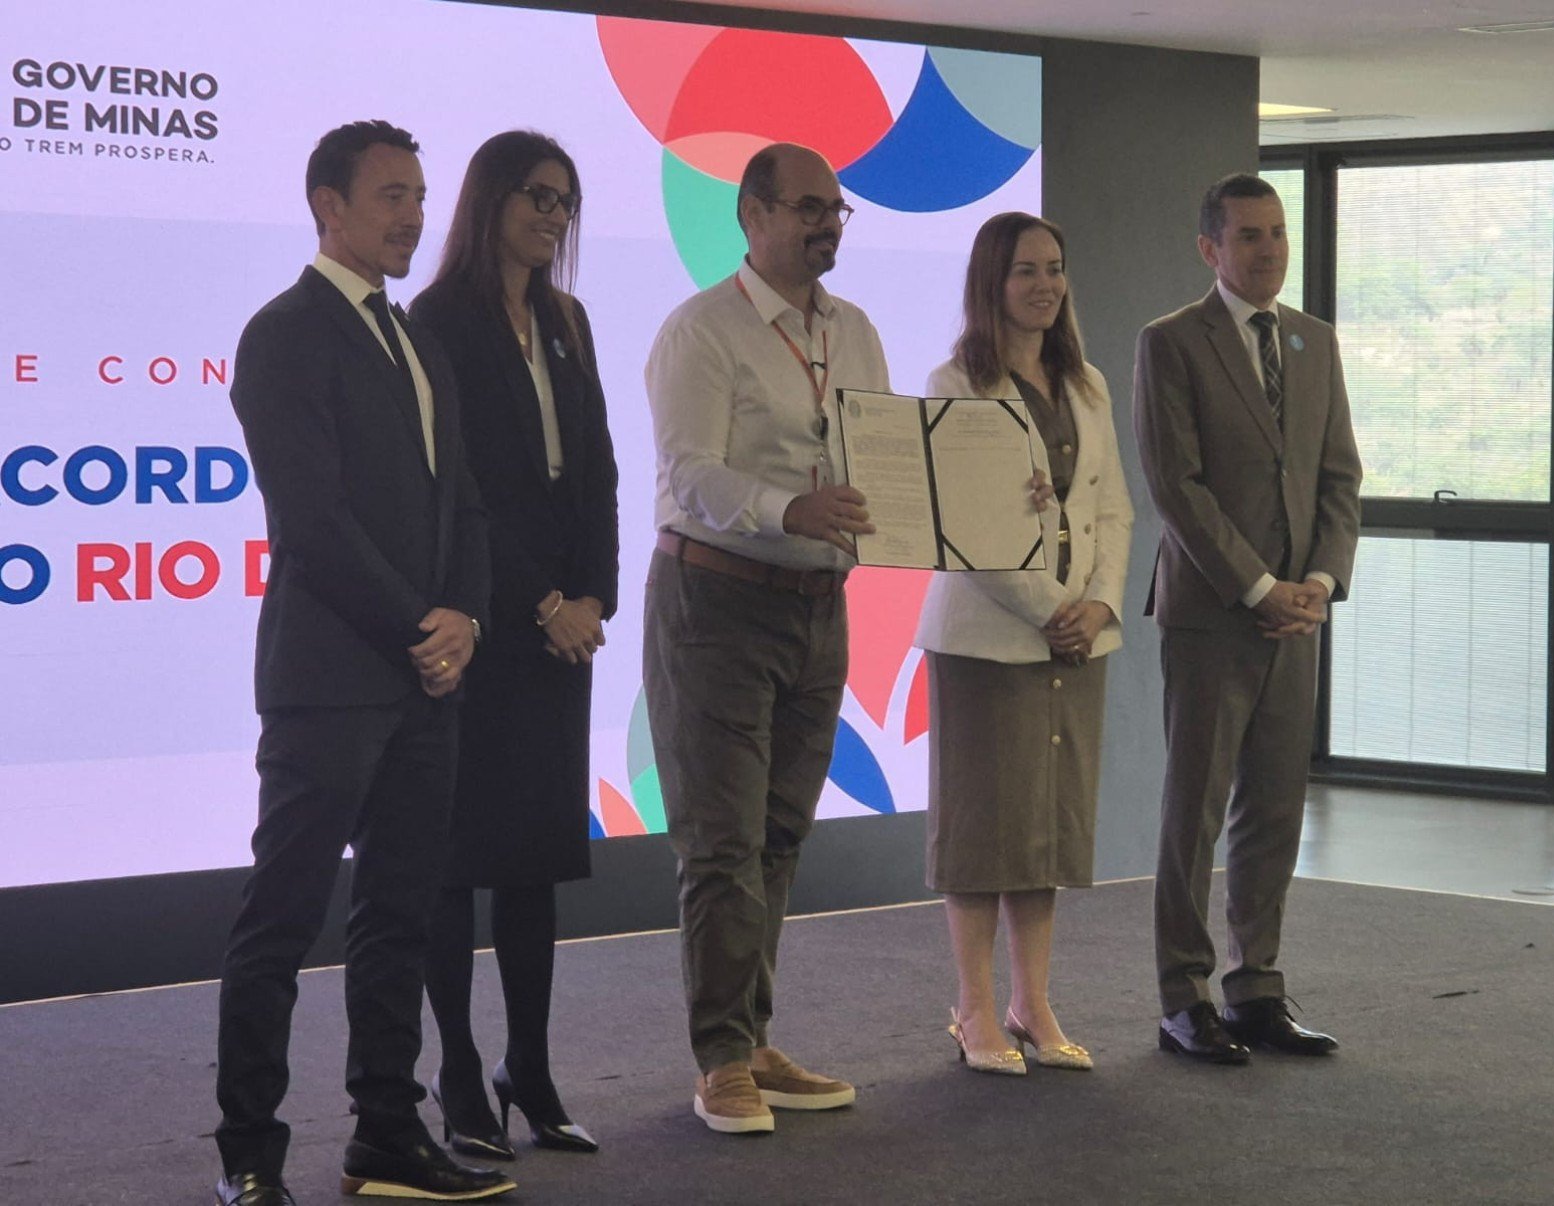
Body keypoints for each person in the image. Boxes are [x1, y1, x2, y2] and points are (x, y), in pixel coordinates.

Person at [213, 121, 513, 1204]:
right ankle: (249, 1155)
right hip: (329, 682)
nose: (413, 216)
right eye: (391, 195)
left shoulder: (417, 339)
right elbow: (312, 520)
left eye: (421, 195)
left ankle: (386, 1131)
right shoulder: (282, 334)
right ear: (327, 205)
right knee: (283, 920)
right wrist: (420, 628)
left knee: (400, 916)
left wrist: (466, 618)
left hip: (428, 684)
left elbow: (464, 503)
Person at [642, 142, 888, 1134]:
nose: (827, 225)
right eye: (808, 208)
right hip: (717, 603)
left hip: (819, 608)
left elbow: (882, 458)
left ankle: (750, 1038)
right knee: (722, 841)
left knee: (781, 834)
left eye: (836, 210)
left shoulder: (856, 330)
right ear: (752, 215)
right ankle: (719, 1062)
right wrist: (791, 509)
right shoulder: (701, 330)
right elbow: (690, 474)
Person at [408, 130, 618, 1159]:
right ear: (490, 199)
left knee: (532, 863)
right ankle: (456, 1074)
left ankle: (526, 1067)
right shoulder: (435, 319)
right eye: (536, 195)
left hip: (560, 635)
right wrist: (540, 601)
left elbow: (598, 473)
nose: (552, 215)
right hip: (479, 624)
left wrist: (593, 598)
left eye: (565, 200)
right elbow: (463, 488)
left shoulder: (567, 320)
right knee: (456, 865)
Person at [1133, 172, 1362, 1064]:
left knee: (1274, 806)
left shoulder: (1313, 340)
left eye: (1277, 232)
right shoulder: (1171, 342)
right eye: (1249, 235)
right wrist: (1259, 587)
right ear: (1210, 248)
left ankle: (1256, 988)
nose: (1269, 250)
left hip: (1296, 617)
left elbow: (1338, 476)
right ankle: (1183, 997)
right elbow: (1176, 487)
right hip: (1213, 615)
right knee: (1194, 812)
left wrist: (1319, 582)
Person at [916, 212, 1134, 1075]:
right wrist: (1051, 608)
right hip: (988, 644)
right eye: (1024, 271)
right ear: (991, 284)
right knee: (983, 830)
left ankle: (1031, 1002)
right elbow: (968, 525)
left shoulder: (1088, 383)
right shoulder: (955, 384)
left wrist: (1099, 604)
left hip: (1075, 641)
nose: (1045, 285)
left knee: (1044, 828)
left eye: (1054, 267)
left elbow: (1114, 508)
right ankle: (974, 1008)